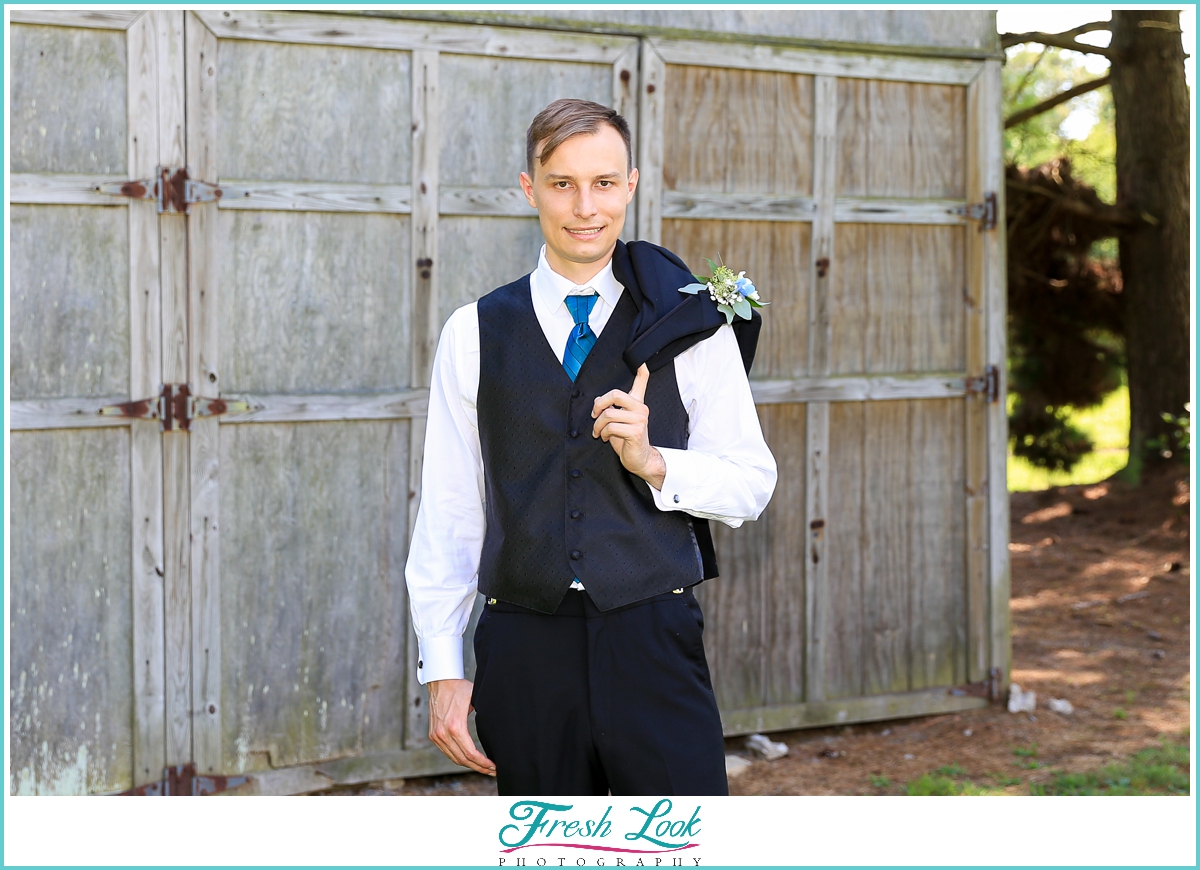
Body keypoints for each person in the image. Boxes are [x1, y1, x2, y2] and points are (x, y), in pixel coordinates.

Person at [405, 98, 777, 796]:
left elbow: (751, 483)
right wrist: (445, 668)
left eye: (605, 183)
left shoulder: (691, 327)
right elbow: (452, 509)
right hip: (524, 647)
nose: (585, 206)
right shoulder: (472, 332)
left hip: (652, 638)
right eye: (562, 183)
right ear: (529, 188)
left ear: (631, 185)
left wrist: (655, 462)